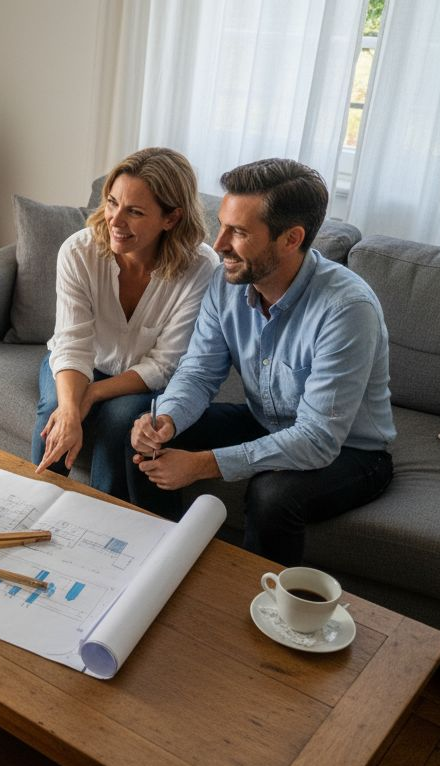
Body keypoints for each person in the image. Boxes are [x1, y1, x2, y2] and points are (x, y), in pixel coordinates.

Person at [129, 158, 396, 566]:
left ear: (291, 239)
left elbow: (317, 439)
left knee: (272, 495)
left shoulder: (347, 309)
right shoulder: (226, 283)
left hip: (350, 451)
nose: (218, 245)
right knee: (147, 434)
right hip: (266, 419)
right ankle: (153, 566)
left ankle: (261, 608)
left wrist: (204, 465)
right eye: (221, 225)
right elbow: (199, 373)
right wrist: (166, 419)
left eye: (237, 232)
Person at [32, 147, 216, 503]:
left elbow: (165, 364)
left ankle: (100, 525)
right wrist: (71, 408)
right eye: (113, 202)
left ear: (171, 218)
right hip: (79, 364)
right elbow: (73, 343)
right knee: (55, 412)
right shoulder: (78, 251)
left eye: (134, 211)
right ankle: (32, 510)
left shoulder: (201, 268)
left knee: (119, 424)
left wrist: (94, 395)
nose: (115, 220)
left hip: (141, 381)